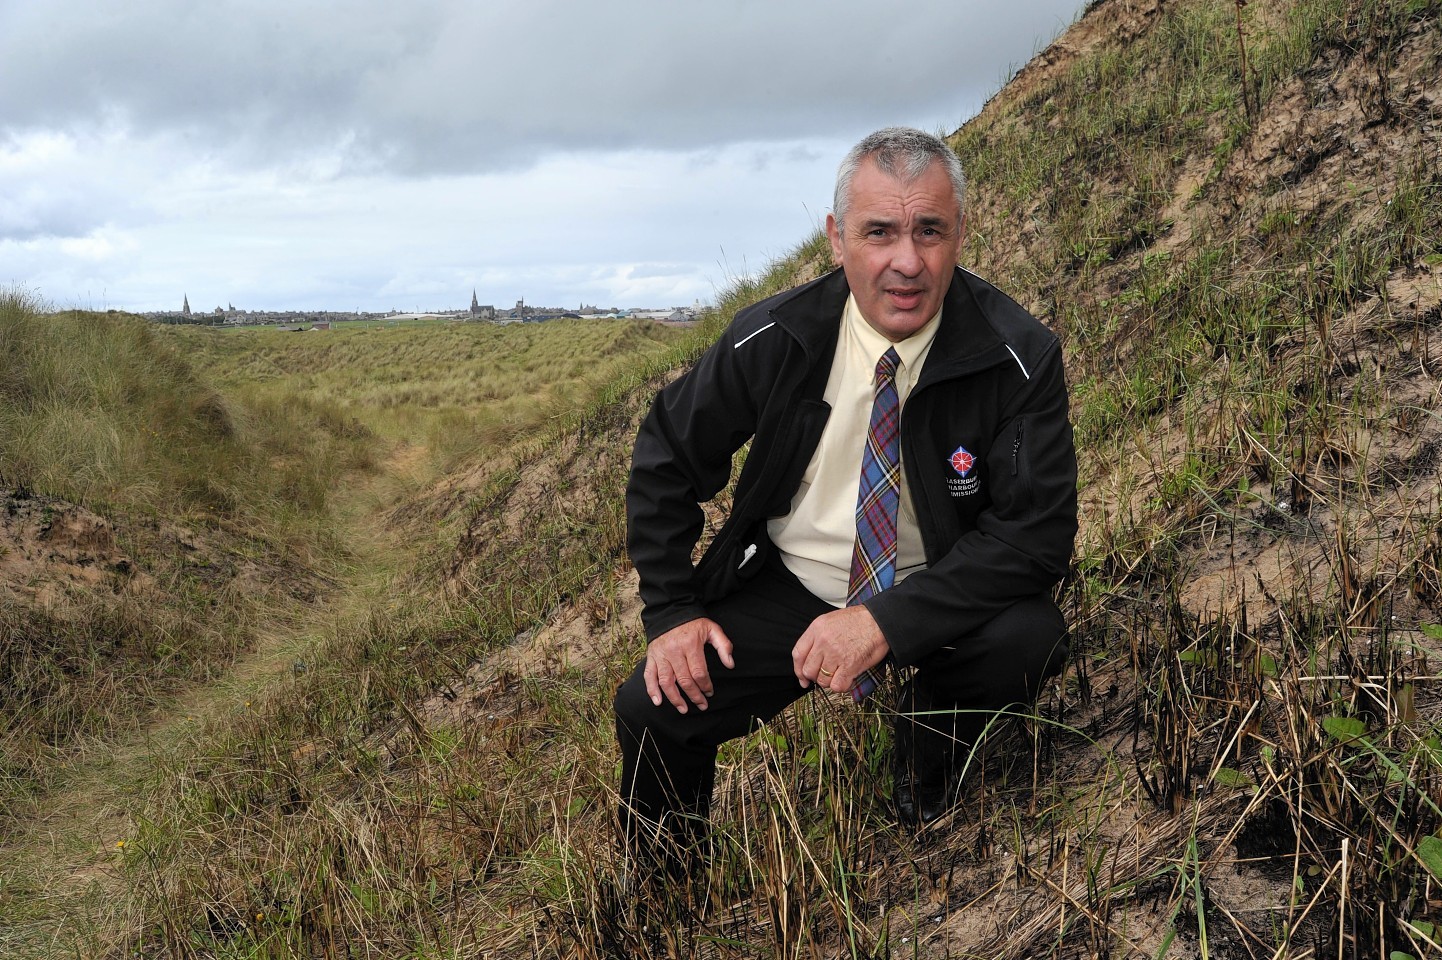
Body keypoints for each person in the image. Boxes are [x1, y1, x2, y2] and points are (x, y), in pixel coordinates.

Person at [614, 127, 1078, 873]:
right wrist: (672, 612)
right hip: (793, 581)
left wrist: (884, 622)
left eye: (930, 230)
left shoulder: (1018, 356)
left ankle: (924, 775)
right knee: (654, 703)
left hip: (942, 587)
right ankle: (667, 885)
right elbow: (666, 452)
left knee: (1030, 636)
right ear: (836, 238)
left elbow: (1035, 538)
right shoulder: (776, 336)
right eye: (879, 232)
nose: (907, 261)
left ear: (962, 230)